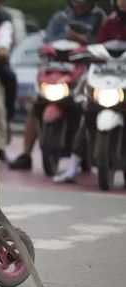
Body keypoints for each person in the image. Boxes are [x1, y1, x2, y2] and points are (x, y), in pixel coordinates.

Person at [8, 0, 106, 170]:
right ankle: (26, 154)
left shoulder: (99, 18)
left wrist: (83, 40)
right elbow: (48, 41)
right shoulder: (60, 17)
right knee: (36, 105)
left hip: (85, 72)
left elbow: (103, 44)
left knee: (92, 108)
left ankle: (92, 153)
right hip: (57, 71)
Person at [53, 0, 126, 183]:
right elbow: (96, 47)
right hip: (109, 78)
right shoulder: (110, 22)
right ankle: (72, 168)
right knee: (88, 114)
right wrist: (80, 52)